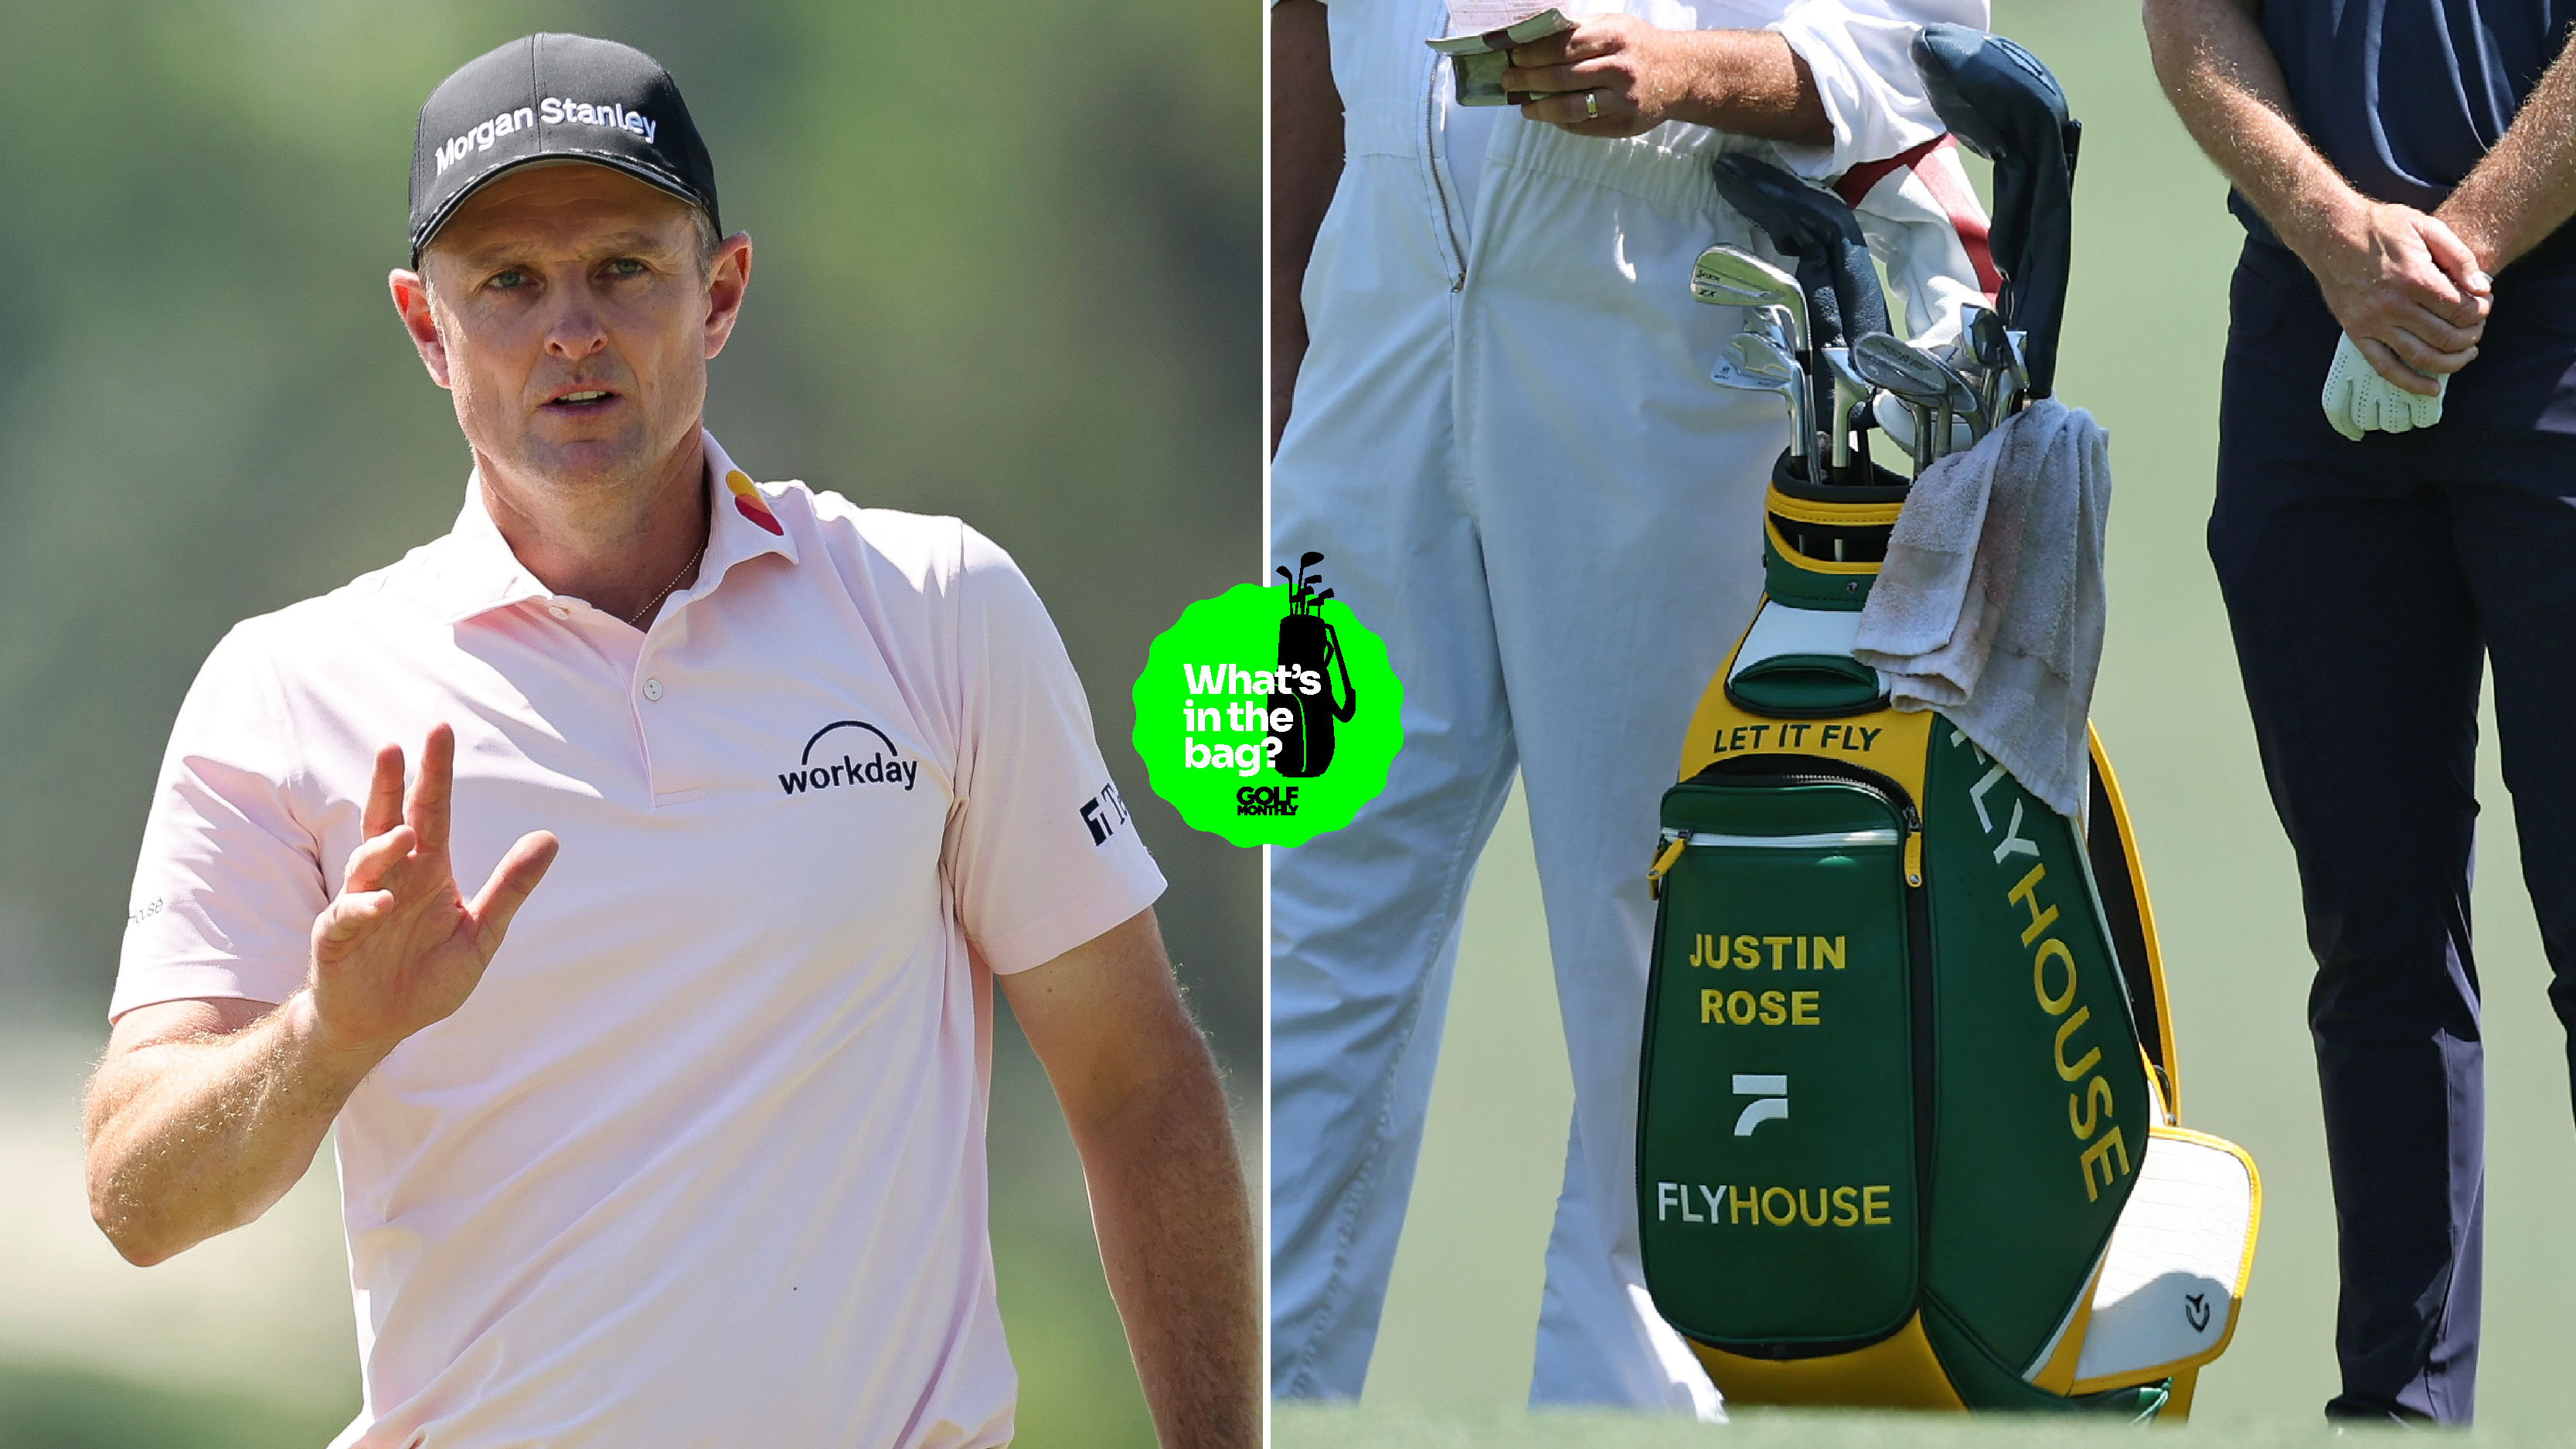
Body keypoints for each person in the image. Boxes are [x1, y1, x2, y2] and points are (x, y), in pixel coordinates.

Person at [81, 33, 1254, 1449]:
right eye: (508, 283)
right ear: (426, 328)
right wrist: (324, 1039)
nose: (572, 328)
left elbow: (1136, 1083)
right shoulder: (289, 689)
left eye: (625, 267)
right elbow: (138, 1197)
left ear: (722, 293)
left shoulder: (935, 609)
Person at [1268, 0, 1992, 1412]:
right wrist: (1287, 327)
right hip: (1369, 313)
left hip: (1663, 317)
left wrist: (1684, 72)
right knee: (1298, 895)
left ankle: (1624, 1415)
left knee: (1661, 947)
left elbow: (1918, 47)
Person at [2146, 0, 2576, 1423]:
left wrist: (2447, 251)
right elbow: (2193, 22)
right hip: (2309, 331)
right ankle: (2399, 1411)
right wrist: (2339, 237)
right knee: (2376, 934)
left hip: (2555, 334)